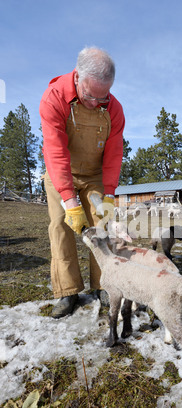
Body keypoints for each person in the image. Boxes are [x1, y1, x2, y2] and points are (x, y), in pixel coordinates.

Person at [40, 47, 125, 318]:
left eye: (103, 96)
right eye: (90, 95)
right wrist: (69, 200)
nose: (95, 103)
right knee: (60, 226)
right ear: (77, 77)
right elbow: (54, 151)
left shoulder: (113, 109)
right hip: (60, 172)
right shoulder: (53, 98)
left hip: (94, 174)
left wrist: (109, 194)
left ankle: (104, 284)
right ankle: (68, 292)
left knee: (102, 225)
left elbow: (113, 154)